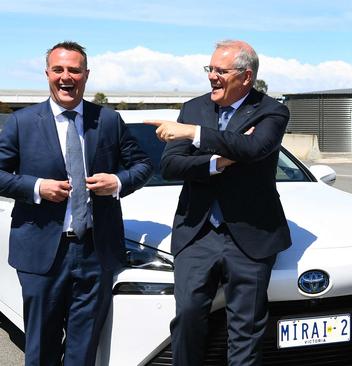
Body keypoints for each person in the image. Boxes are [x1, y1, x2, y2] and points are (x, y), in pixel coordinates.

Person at [0, 41, 153, 365]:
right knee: (41, 348)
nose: (66, 76)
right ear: (47, 74)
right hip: (41, 254)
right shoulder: (21, 122)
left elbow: (142, 165)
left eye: (74, 70)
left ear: (85, 75)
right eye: (58, 69)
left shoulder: (109, 121)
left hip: (95, 252)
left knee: (83, 352)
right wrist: (38, 187)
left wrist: (118, 182)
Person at [146, 40, 291, 366]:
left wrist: (191, 134)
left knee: (246, 328)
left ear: (246, 77)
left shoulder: (273, 110)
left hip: (251, 237)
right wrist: (217, 162)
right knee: (187, 316)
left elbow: (255, 148)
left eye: (221, 71)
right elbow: (170, 166)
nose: (212, 76)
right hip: (197, 233)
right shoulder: (193, 107)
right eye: (209, 69)